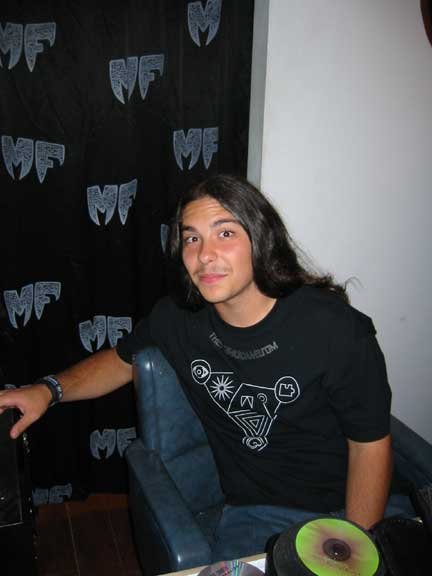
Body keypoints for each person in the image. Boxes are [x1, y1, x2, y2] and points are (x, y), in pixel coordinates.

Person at [0, 174, 401, 560]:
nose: (204, 255)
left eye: (225, 233)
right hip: (256, 516)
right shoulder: (178, 320)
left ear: (262, 239)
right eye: (192, 238)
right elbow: (120, 360)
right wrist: (48, 390)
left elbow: (369, 445)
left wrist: (354, 549)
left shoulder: (334, 328)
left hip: (344, 510)